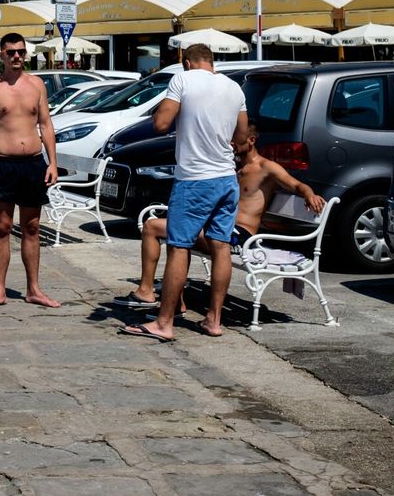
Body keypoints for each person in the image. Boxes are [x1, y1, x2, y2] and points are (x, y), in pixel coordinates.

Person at [116, 121, 326, 322]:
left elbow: (296, 184)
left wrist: (310, 194)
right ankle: (170, 301)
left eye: (235, 139)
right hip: (220, 228)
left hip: (240, 236)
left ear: (251, 140)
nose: (231, 143)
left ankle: (150, 293)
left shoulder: (266, 167)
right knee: (166, 229)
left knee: (157, 228)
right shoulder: (231, 167)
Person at [123, 44, 248, 343]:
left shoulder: (182, 79)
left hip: (194, 179)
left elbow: (161, 123)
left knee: (179, 246)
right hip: (226, 178)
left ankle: (164, 322)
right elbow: (242, 138)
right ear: (212, 62)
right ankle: (213, 320)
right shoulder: (234, 88)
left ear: (187, 63)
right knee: (220, 247)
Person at [0, 32, 60, 309]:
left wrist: (53, 163)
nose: (17, 56)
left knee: (32, 227)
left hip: (33, 163)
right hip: (3, 163)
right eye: (11, 52)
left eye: (21, 51)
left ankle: (34, 288)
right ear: (1, 55)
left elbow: (46, 124)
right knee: (2, 227)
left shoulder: (37, 85)